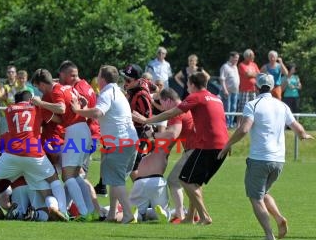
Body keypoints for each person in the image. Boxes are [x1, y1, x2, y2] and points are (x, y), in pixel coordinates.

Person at [217, 73, 314, 240]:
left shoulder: (253, 104)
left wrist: (227, 145)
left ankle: (269, 235)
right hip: (279, 160)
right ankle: (279, 218)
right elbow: (297, 127)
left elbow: (244, 129)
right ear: (272, 86)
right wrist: (304, 135)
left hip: (260, 158)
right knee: (263, 192)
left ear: (256, 87)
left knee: (255, 197)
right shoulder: (282, 105)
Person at [139, 72, 228, 225]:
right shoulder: (216, 99)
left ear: (193, 84)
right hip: (221, 145)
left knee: (179, 180)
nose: (186, 87)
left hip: (204, 146)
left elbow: (173, 118)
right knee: (193, 182)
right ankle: (190, 217)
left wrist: (147, 121)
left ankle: (199, 215)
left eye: (187, 84)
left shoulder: (195, 97)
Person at [0, 90, 68, 221]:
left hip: (12, 153)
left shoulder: (9, 109)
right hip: (34, 153)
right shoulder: (37, 107)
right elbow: (58, 119)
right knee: (53, 180)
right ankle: (59, 209)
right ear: (31, 99)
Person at [71, 65, 138, 224]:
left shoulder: (107, 93)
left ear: (102, 79)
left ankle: (128, 215)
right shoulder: (117, 92)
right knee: (115, 180)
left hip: (118, 143)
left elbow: (98, 113)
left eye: (98, 76)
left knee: (116, 182)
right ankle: (112, 214)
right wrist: (87, 106)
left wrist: (78, 110)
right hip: (129, 142)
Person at [33, 65, 93, 220]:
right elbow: (75, 106)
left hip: (75, 131)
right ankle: (90, 210)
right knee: (76, 175)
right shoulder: (67, 88)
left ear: (42, 84)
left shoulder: (55, 90)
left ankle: (84, 213)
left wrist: (40, 104)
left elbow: (60, 108)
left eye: (38, 87)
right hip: (82, 129)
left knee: (67, 176)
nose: (40, 91)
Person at [134, 88, 196, 223]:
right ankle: (191, 214)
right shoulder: (184, 108)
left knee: (174, 181)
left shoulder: (176, 112)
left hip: (193, 150)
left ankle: (180, 215)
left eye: (161, 103)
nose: (162, 107)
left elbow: (172, 134)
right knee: (190, 183)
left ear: (168, 101)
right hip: (196, 150)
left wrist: (152, 135)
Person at [237, 49, 260, 125]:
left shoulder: (254, 64)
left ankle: (251, 123)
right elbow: (247, 75)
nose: (253, 57)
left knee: (253, 107)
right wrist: (253, 74)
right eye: (252, 56)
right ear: (247, 56)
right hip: (244, 89)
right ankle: (239, 124)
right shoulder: (241, 65)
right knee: (242, 107)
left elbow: (259, 74)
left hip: (254, 89)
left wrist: (252, 74)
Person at [219, 51, 240, 128]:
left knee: (233, 108)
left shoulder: (235, 67)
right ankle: (226, 124)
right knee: (227, 108)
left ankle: (231, 124)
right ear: (231, 57)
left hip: (235, 92)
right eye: (235, 59)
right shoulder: (225, 67)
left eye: (237, 59)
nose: (237, 60)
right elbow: (222, 79)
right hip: (227, 92)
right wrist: (225, 90)